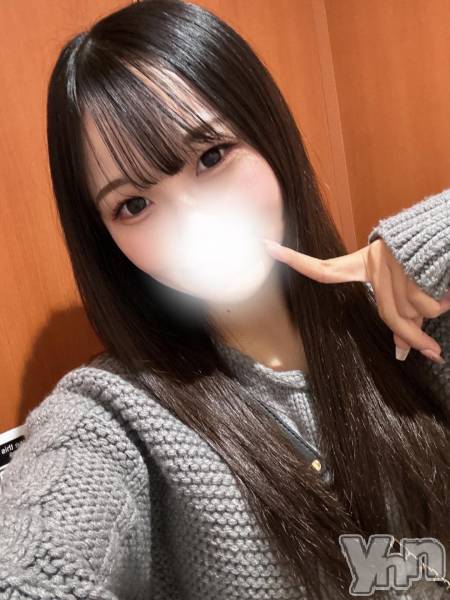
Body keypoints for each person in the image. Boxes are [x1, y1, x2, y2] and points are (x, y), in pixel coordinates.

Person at [1, 1, 449, 599]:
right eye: (133, 204)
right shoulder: (115, 416)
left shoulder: (407, 316)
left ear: (268, 133)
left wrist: (420, 243)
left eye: (211, 157)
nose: (193, 222)